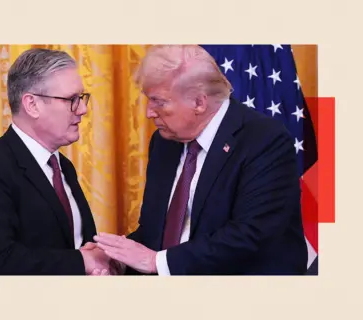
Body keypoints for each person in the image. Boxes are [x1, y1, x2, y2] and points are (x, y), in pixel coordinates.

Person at [94, 45, 308, 275]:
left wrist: (156, 262)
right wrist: (118, 258)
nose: (149, 112)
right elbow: (158, 231)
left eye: (159, 102)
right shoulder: (165, 142)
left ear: (199, 103)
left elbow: (250, 235)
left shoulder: (264, 140)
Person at [0, 48, 111, 275]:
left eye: (82, 98)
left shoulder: (63, 167)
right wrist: (82, 262)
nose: (83, 109)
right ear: (32, 105)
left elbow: (78, 245)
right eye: (72, 100)